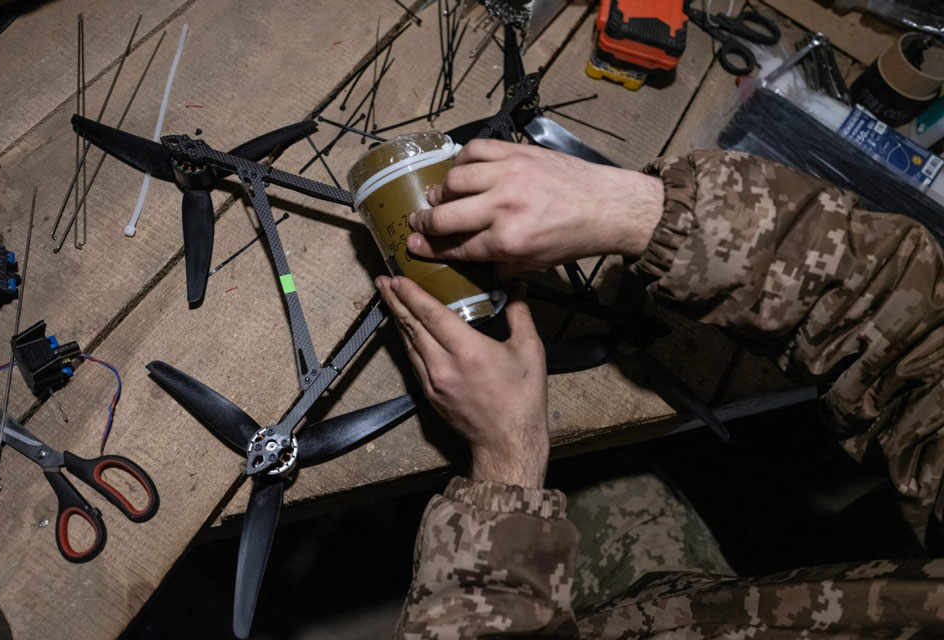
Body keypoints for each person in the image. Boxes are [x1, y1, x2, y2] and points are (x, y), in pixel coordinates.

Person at [378, 140, 944, 638]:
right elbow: (919, 333)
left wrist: (508, 461)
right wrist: (644, 214)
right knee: (612, 476)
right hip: (696, 609)